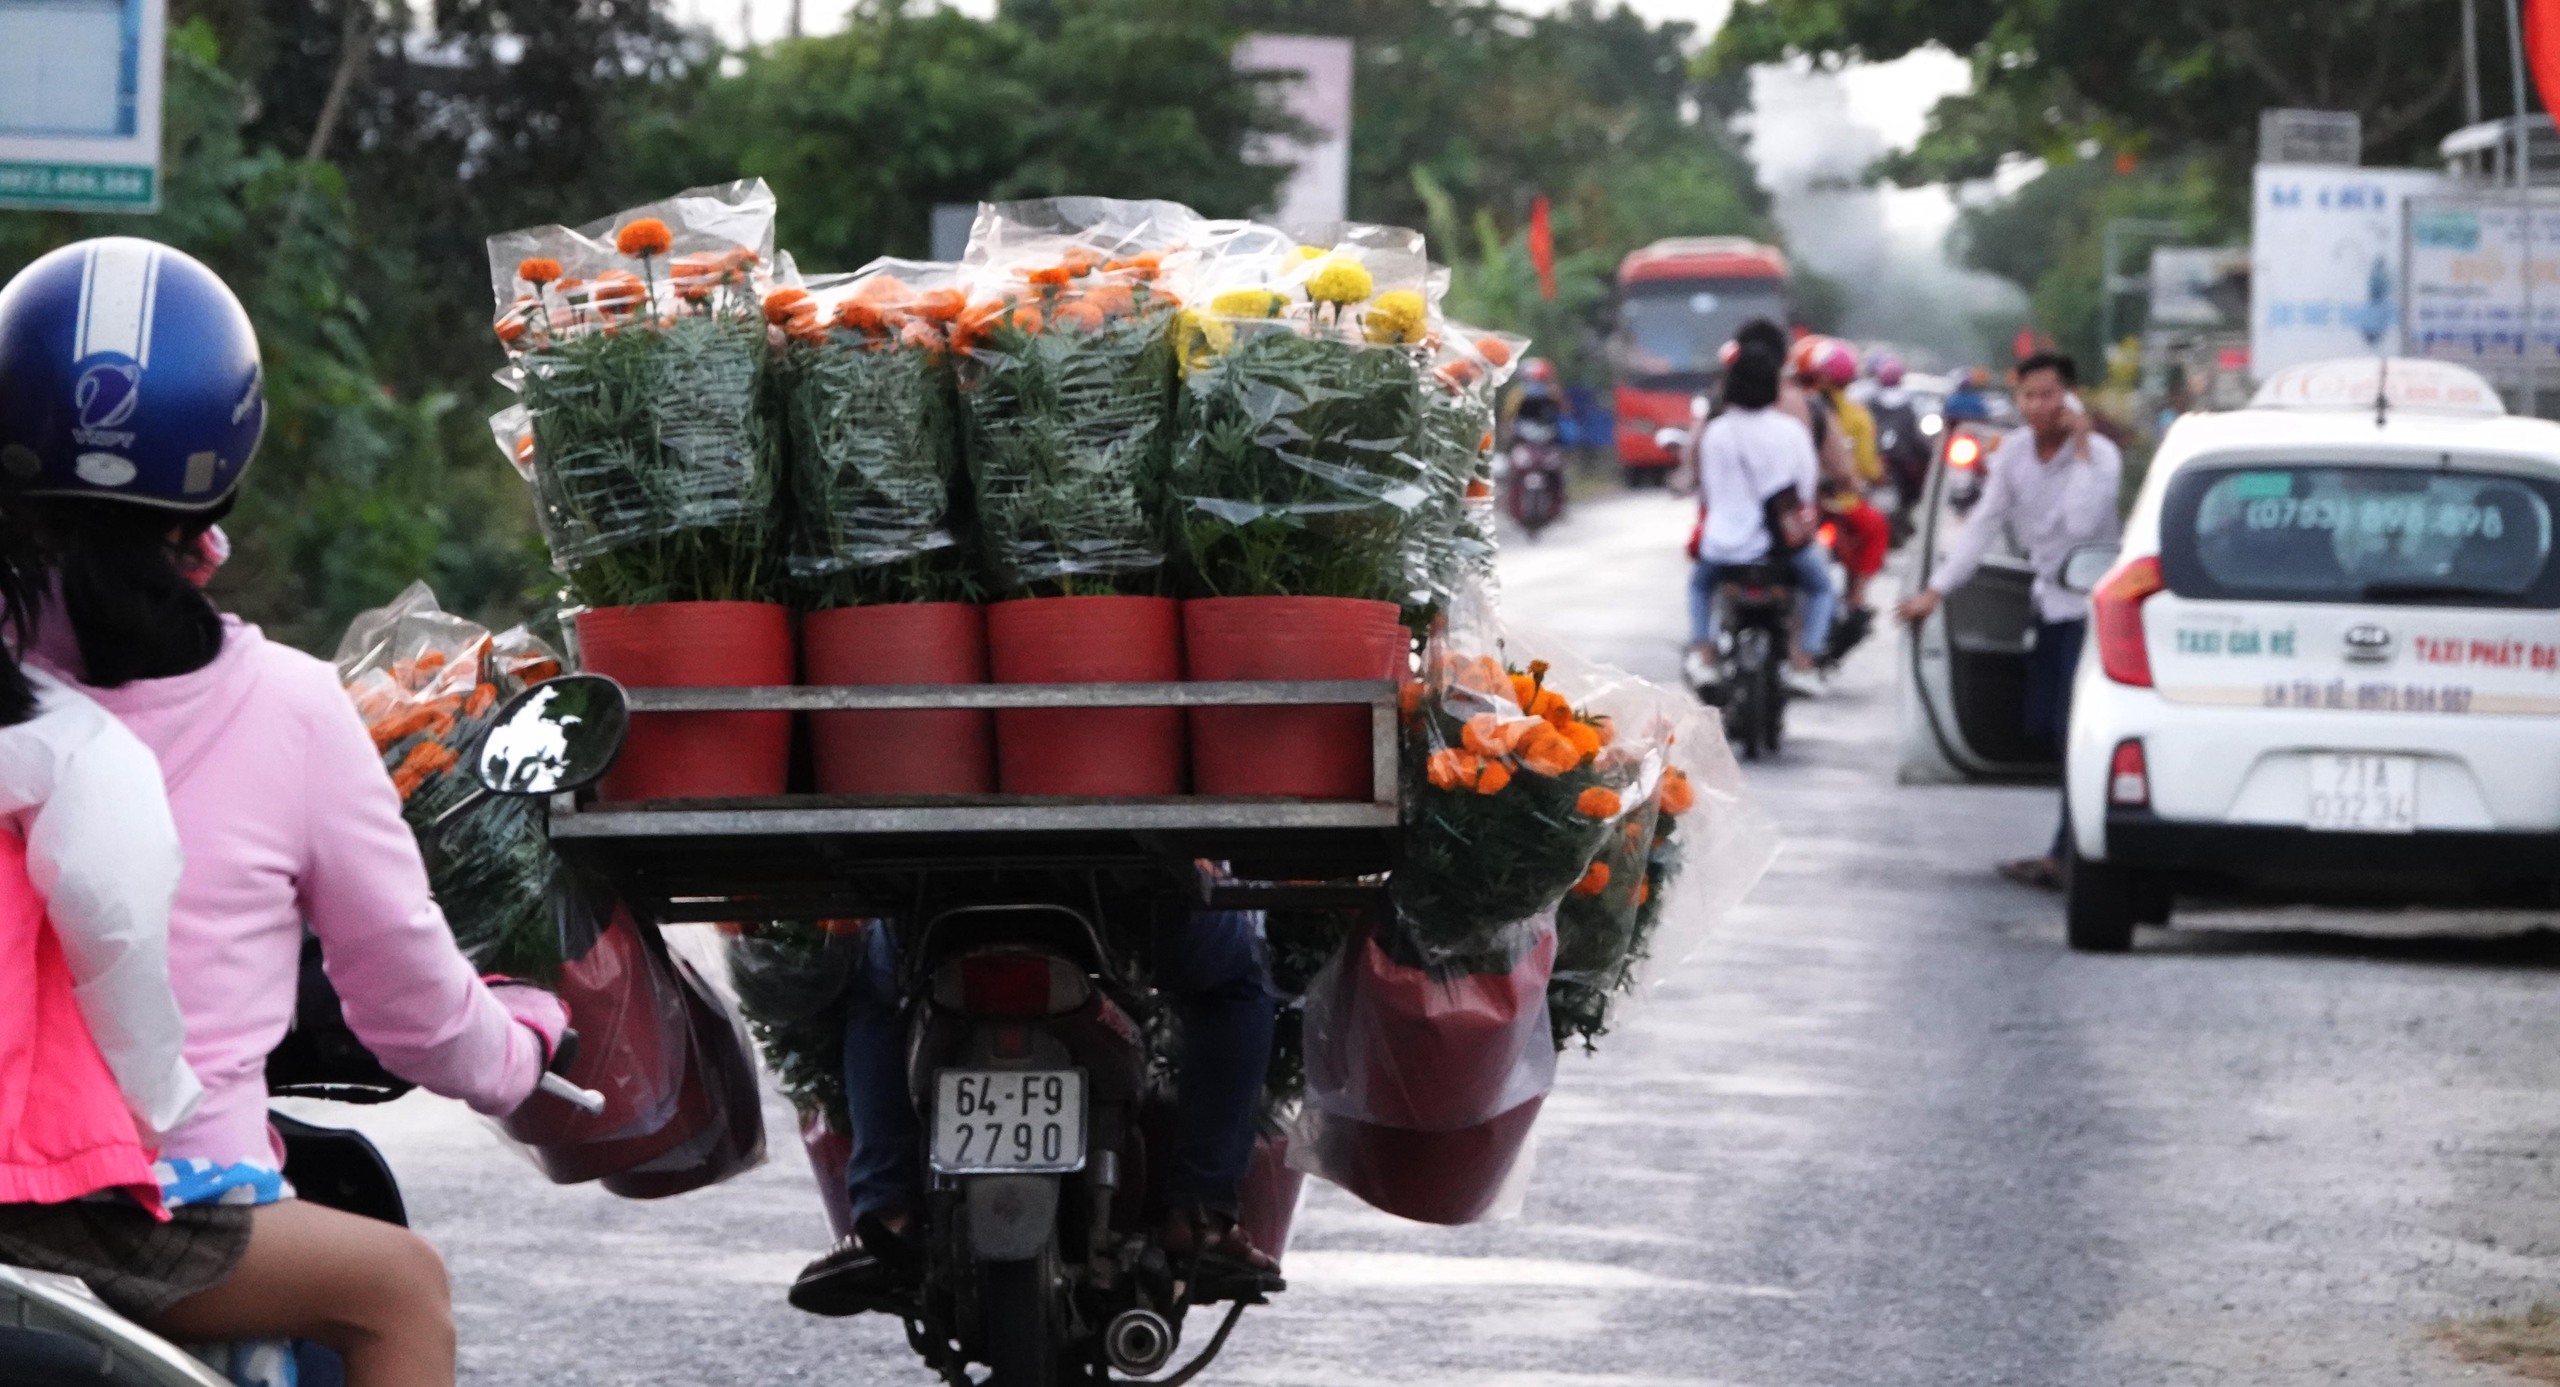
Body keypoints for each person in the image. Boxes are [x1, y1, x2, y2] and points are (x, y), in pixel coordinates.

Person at [0, 236, 570, 1387]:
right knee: (403, 1290)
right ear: (228, 462)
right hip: (156, 1209)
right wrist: (518, 1051)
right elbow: (409, 997)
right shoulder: (292, 707)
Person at [791, 907, 1282, 1315]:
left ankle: (887, 1211)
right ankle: (1198, 1214)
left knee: (874, 995)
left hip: (937, 899)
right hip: (1119, 897)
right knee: (1238, 984)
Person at [0, 538, 208, 1323]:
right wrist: (157, 1102)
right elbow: (112, 911)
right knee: (389, 1290)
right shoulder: (66, 736)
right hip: (28, 1190)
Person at [1894, 352, 2123, 890]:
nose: (2038, 406)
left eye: (2050, 395)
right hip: (2047, 605)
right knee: (2044, 727)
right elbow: (1981, 525)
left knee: (2073, 732)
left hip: (2091, 613)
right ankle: (2069, 845)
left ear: (2070, 397)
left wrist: (2084, 447)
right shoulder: (2014, 455)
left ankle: (2071, 852)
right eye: (2029, 395)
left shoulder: (2102, 457)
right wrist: (1936, 589)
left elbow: (2084, 521)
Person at [1687, 342, 1831, 697]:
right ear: (1773, 386)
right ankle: (1804, 662)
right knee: (1822, 588)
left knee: (1699, 586)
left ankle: (1704, 656)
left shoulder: (1716, 431)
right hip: (1780, 548)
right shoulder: (1791, 432)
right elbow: (1806, 491)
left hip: (1723, 547)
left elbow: (1707, 488)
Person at [1788, 337, 1890, 626]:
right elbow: (1866, 467)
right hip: (1840, 502)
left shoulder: (1790, 407)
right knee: (1877, 528)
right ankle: (1858, 595)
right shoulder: (1856, 415)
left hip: (1798, 504)